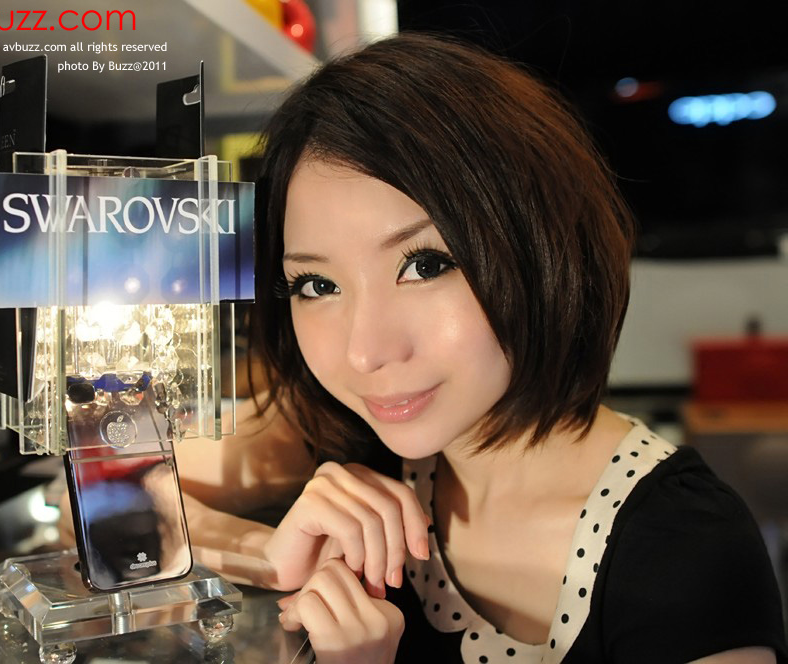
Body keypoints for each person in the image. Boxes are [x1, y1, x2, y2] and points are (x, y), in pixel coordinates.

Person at [64, 33, 788, 663]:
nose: (365, 352)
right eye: (317, 284)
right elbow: (95, 497)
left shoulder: (686, 551)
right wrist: (267, 555)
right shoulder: (342, 436)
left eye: (426, 264)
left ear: (540, 247)